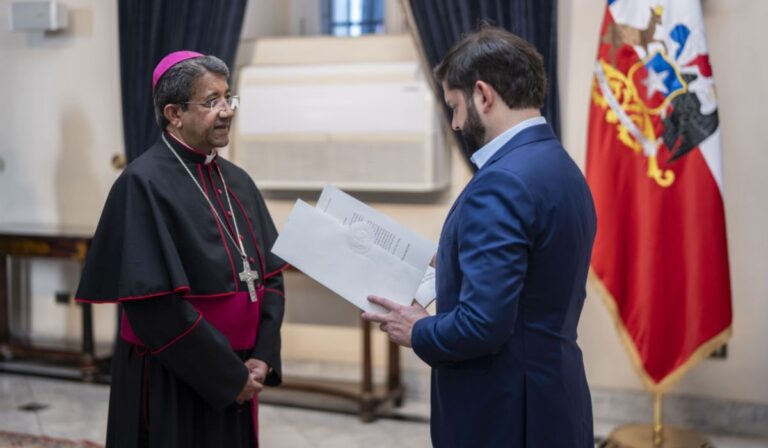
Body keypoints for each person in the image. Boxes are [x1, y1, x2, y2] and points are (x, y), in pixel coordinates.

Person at [363, 26, 596, 447]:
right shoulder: (558, 164)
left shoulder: (502, 181)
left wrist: (415, 329)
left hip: (505, 412)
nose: (455, 122)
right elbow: (534, 272)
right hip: (553, 395)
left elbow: (482, 326)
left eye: (454, 106)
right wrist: (451, 258)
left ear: (483, 95)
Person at [76, 51, 287, 448]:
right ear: (174, 113)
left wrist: (263, 354)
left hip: (242, 366)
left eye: (228, 98)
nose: (226, 111)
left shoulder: (238, 181)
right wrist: (228, 374)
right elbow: (154, 307)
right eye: (212, 102)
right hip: (174, 374)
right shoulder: (142, 183)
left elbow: (270, 275)